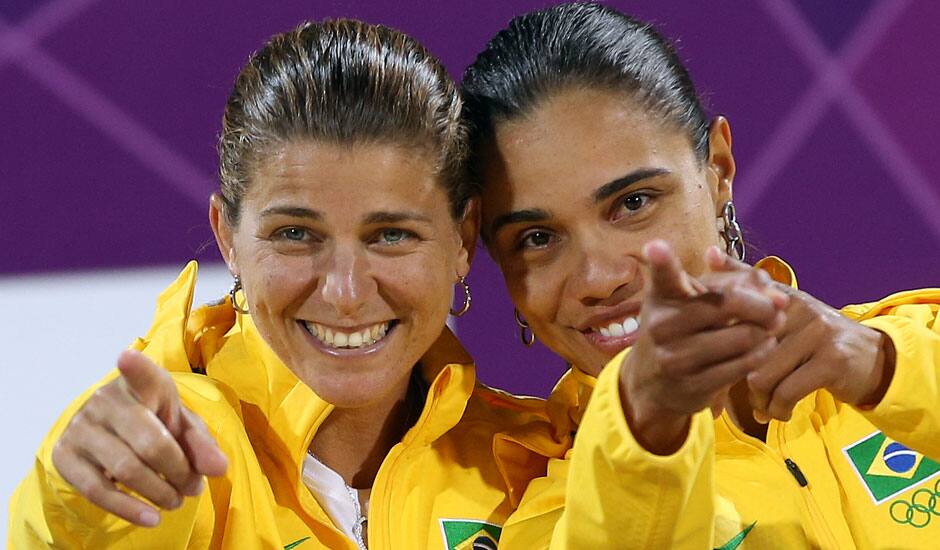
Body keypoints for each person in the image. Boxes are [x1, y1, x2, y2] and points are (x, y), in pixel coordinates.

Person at [8, 19, 546, 550]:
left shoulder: (536, 466)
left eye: (390, 234)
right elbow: (89, 531)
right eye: (295, 233)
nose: (346, 291)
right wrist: (79, 493)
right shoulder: (174, 451)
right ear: (228, 239)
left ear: (462, 238)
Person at [460, 2, 940, 548]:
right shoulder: (548, 518)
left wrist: (882, 371)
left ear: (718, 170)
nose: (598, 278)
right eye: (537, 239)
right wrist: (648, 431)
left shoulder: (914, 348)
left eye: (633, 202)